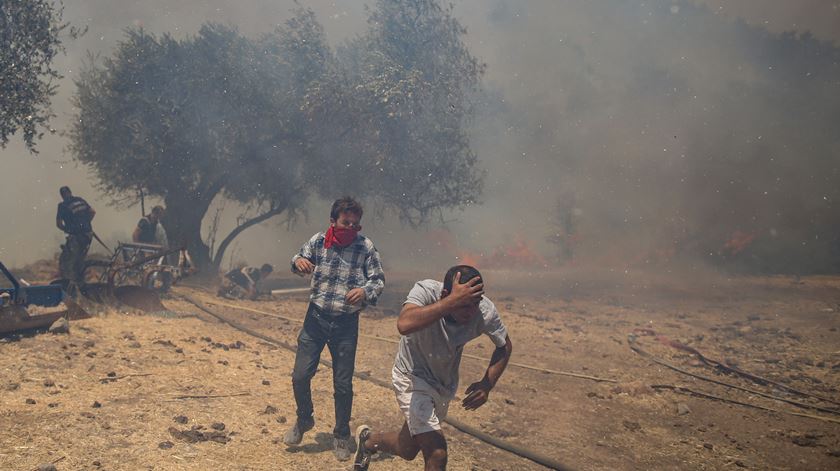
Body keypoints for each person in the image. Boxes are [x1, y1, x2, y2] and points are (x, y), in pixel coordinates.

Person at [353, 265, 513, 471]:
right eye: (464, 304)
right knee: (437, 453)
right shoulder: (426, 291)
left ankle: (367, 442)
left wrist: (487, 384)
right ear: (445, 294)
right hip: (410, 378)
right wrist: (450, 303)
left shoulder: (484, 311)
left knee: (407, 449)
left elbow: (504, 346)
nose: (471, 311)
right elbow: (404, 324)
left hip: (442, 385)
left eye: (475, 303)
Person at [284, 196, 385, 462]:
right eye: (345, 222)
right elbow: (298, 258)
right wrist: (299, 263)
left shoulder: (365, 247)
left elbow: (378, 279)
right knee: (299, 376)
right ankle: (304, 419)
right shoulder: (319, 241)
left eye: (355, 224)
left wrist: (364, 291)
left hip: (345, 324)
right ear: (333, 221)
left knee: (342, 384)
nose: (350, 228)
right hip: (315, 319)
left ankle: (341, 434)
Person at [55, 186, 96, 283]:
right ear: (70, 192)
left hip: (76, 236)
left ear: (62, 195)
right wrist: (85, 223)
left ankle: (71, 285)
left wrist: (67, 229)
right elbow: (93, 212)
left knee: (69, 263)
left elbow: (59, 224)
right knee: (80, 259)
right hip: (88, 235)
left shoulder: (62, 206)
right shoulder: (80, 200)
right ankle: (81, 281)